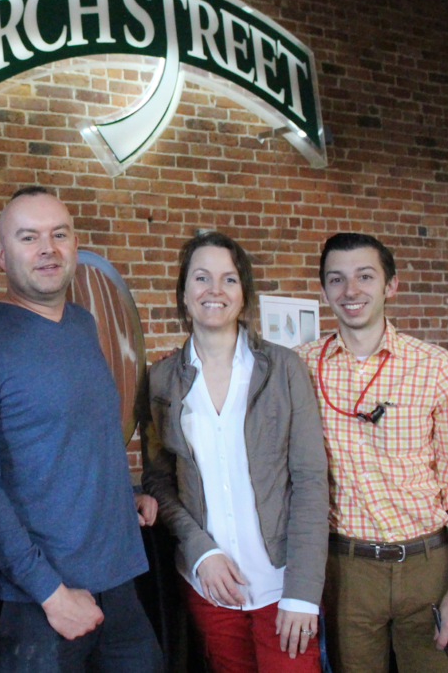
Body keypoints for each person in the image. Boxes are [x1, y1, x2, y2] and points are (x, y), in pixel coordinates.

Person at [0, 186, 162, 673]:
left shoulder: (82, 324)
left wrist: (124, 496)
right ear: (0, 254)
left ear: (74, 244)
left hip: (117, 582)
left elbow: (78, 440)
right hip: (33, 603)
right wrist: (51, 593)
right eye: (29, 237)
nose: (48, 248)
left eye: (59, 234)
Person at [292, 233, 448, 673]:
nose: (350, 291)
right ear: (323, 291)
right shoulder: (298, 365)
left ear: (390, 285)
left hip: (429, 565)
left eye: (364, 276)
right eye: (336, 280)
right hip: (346, 570)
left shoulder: (434, 364)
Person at [139, 231, 329, 673]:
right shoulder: (162, 380)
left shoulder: (285, 369)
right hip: (209, 588)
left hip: (284, 588)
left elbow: (310, 482)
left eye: (228, 280)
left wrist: (303, 592)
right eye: (201, 278)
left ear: (244, 295)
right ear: (184, 294)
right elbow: (159, 482)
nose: (214, 291)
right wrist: (201, 552)